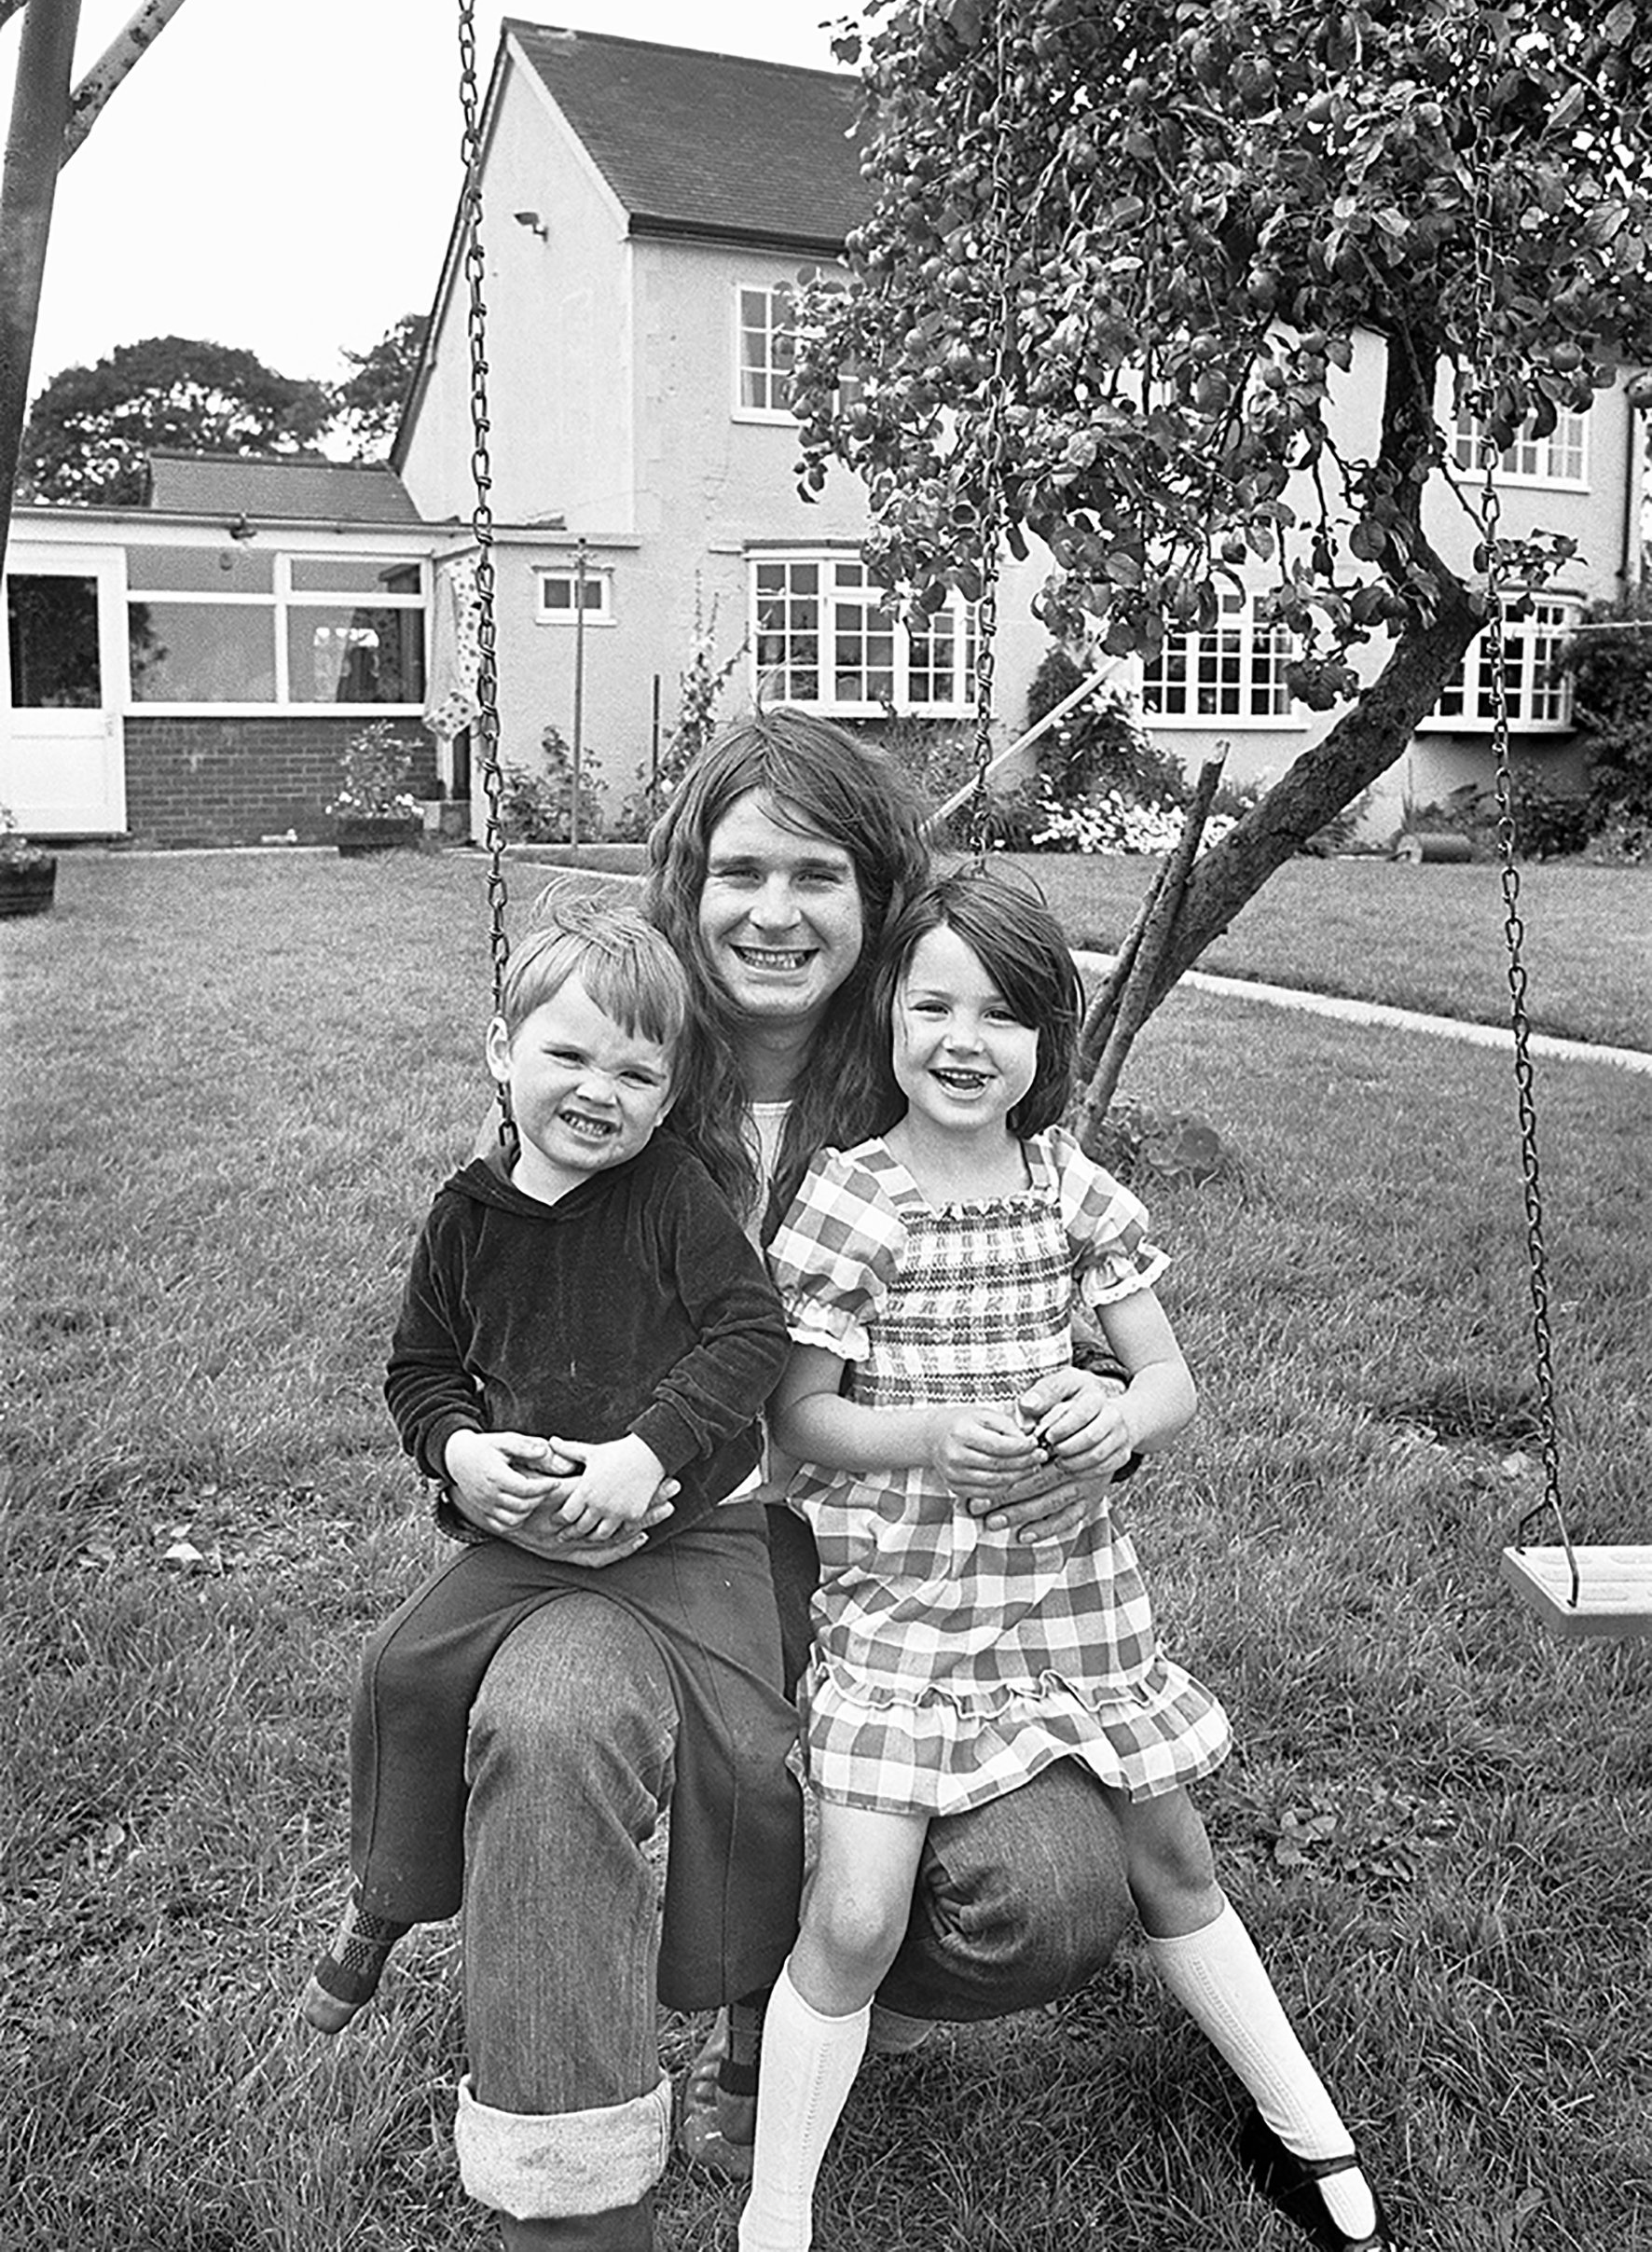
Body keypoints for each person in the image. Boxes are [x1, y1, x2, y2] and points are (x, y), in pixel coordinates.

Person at [444, 712, 1143, 2252]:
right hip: (639, 1551)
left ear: (880, 893)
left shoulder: (931, 1062)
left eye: (816, 872)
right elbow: (481, 1307)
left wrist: (1099, 1408)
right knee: (550, 1722)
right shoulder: (616, 1055)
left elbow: (1067, 1310)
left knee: (1050, 1887)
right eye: (738, 866)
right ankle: (571, 2204)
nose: (773, 907)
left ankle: (804, 1998)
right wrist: (476, 1448)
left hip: (895, 1571)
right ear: (686, 883)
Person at [737, 870, 1395, 2252]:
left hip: (1070, 1589)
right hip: (907, 1600)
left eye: (1006, 1012)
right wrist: (927, 1432)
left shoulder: (1070, 1188)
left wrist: (1110, 1417)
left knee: (1173, 1854)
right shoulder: (854, 1196)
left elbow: (1170, 1381)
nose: (965, 1039)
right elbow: (797, 1417)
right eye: (933, 1003)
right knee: (853, 1913)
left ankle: (1310, 2138)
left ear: (1053, 1039)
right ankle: (776, 2212)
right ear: (889, 1014)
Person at [300, 897, 798, 2047]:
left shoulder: (672, 1196)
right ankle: (385, 1898)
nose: (596, 1090)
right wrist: (466, 1455)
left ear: (669, 1095)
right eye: (566, 1053)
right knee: (402, 1668)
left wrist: (646, 1450)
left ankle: (741, 2009)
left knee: (752, 1759)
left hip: (688, 1526)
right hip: (527, 1530)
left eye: (634, 1072)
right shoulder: (464, 1220)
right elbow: (420, 1371)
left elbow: (750, 1337)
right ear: (500, 1051)